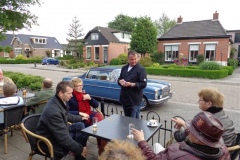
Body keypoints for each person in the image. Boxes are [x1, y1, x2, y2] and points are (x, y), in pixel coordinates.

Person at [132, 111, 231, 160]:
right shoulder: (225, 151)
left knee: (156, 145)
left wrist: (142, 141)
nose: (190, 131)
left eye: (192, 130)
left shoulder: (175, 153)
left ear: (198, 139)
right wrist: (184, 124)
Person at [36, 81, 88, 160]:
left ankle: (79, 154)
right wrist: (80, 149)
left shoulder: (58, 101)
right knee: (78, 143)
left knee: (80, 125)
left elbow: (66, 115)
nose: (71, 96)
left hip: (57, 131)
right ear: (61, 93)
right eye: (69, 93)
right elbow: (63, 138)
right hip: (50, 139)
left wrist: (80, 118)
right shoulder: (54, 111)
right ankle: (80, 153)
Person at [67, 77, 107, 155]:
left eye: (82, 85)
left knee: (98, 116)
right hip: (78, 117)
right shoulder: (71, 96)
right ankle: (83, 147)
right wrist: (79, 113)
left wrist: (90, 99)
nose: (81, 87)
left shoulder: (84, 93)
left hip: (88, 113)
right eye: (78, 86)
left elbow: (96, 105)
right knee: (95, 124)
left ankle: (101, 145)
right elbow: (67, 111)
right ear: (73, 87)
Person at [118, 50, 147, 119]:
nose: (134, 61)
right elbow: (119, 79)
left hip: (134, 100)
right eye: (131, 59)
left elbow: (143, 84)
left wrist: (131, 84)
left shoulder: (141, 69)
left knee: (134, 121)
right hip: (125, 99)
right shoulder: (124, 68)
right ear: (128, 59)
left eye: (135, 59)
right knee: (126, 119)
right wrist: (120, 81)